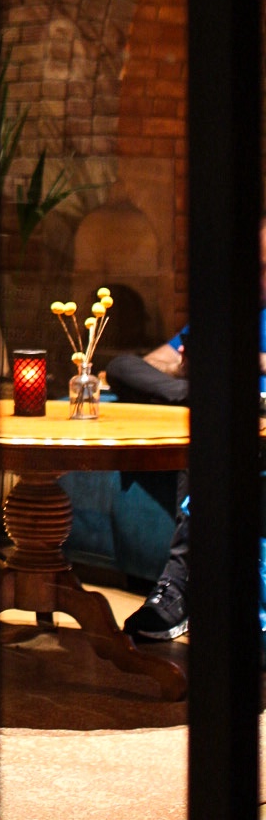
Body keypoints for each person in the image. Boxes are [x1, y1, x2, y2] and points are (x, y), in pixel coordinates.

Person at [106, 219, 266, 643]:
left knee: (209, 431)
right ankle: (203, 397)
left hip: (251, 419)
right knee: (122, 366)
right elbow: (151, 362)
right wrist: (187, 369)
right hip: (209, 399)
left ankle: (177, 587)